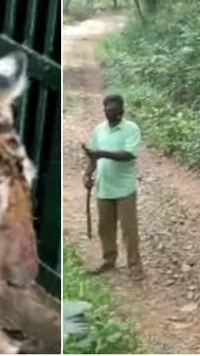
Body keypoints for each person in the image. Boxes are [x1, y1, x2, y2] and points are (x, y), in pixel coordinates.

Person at [81, 94, 144, 281]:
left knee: (129, 230)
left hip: (125, 189)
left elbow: (129, 154)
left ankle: (135, 266)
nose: (110, 113)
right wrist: (87, 174)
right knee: (105, 228)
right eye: (107, 110)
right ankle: (109, 260)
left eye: (114, 110)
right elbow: (93, 156)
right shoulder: (99, 130)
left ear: (122, 110)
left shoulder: (131, 129)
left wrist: (102, 153)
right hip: (104, 187)